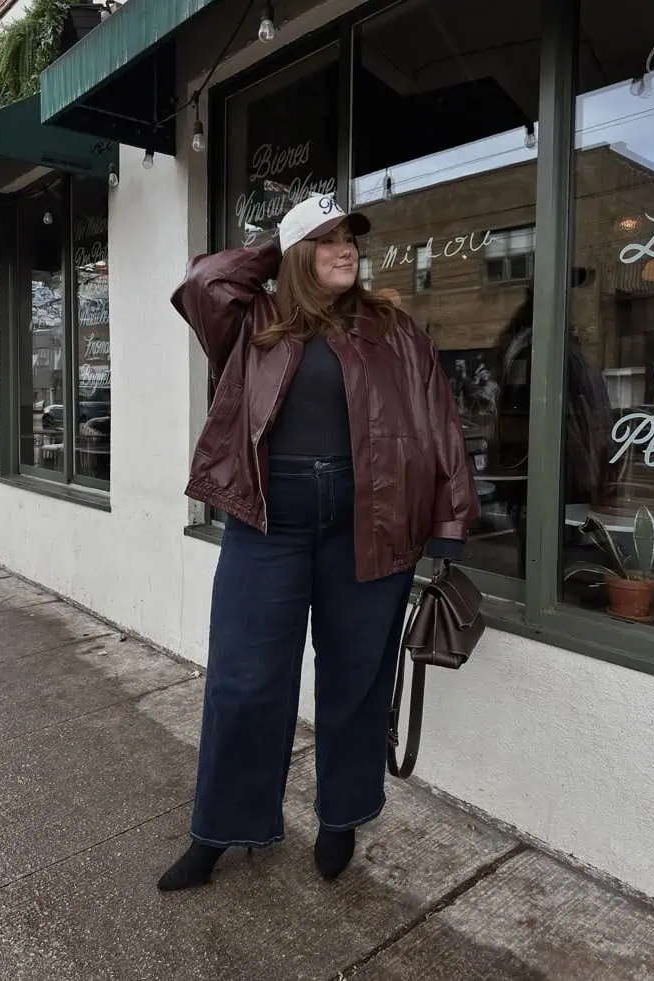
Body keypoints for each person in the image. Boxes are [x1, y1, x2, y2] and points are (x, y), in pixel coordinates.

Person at [158, 194, 478, 892]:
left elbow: (440, 424)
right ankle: (220, 830)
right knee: (244, 683)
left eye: (351, 241)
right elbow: (199, 283)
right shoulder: (252, 321)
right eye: (328, 240)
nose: (346, 251)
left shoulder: (393, 328)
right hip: (267, 523)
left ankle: (342, 817)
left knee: (356, 681)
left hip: (372, 525)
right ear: (298, 254)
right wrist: (280, 243)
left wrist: (450, 526)